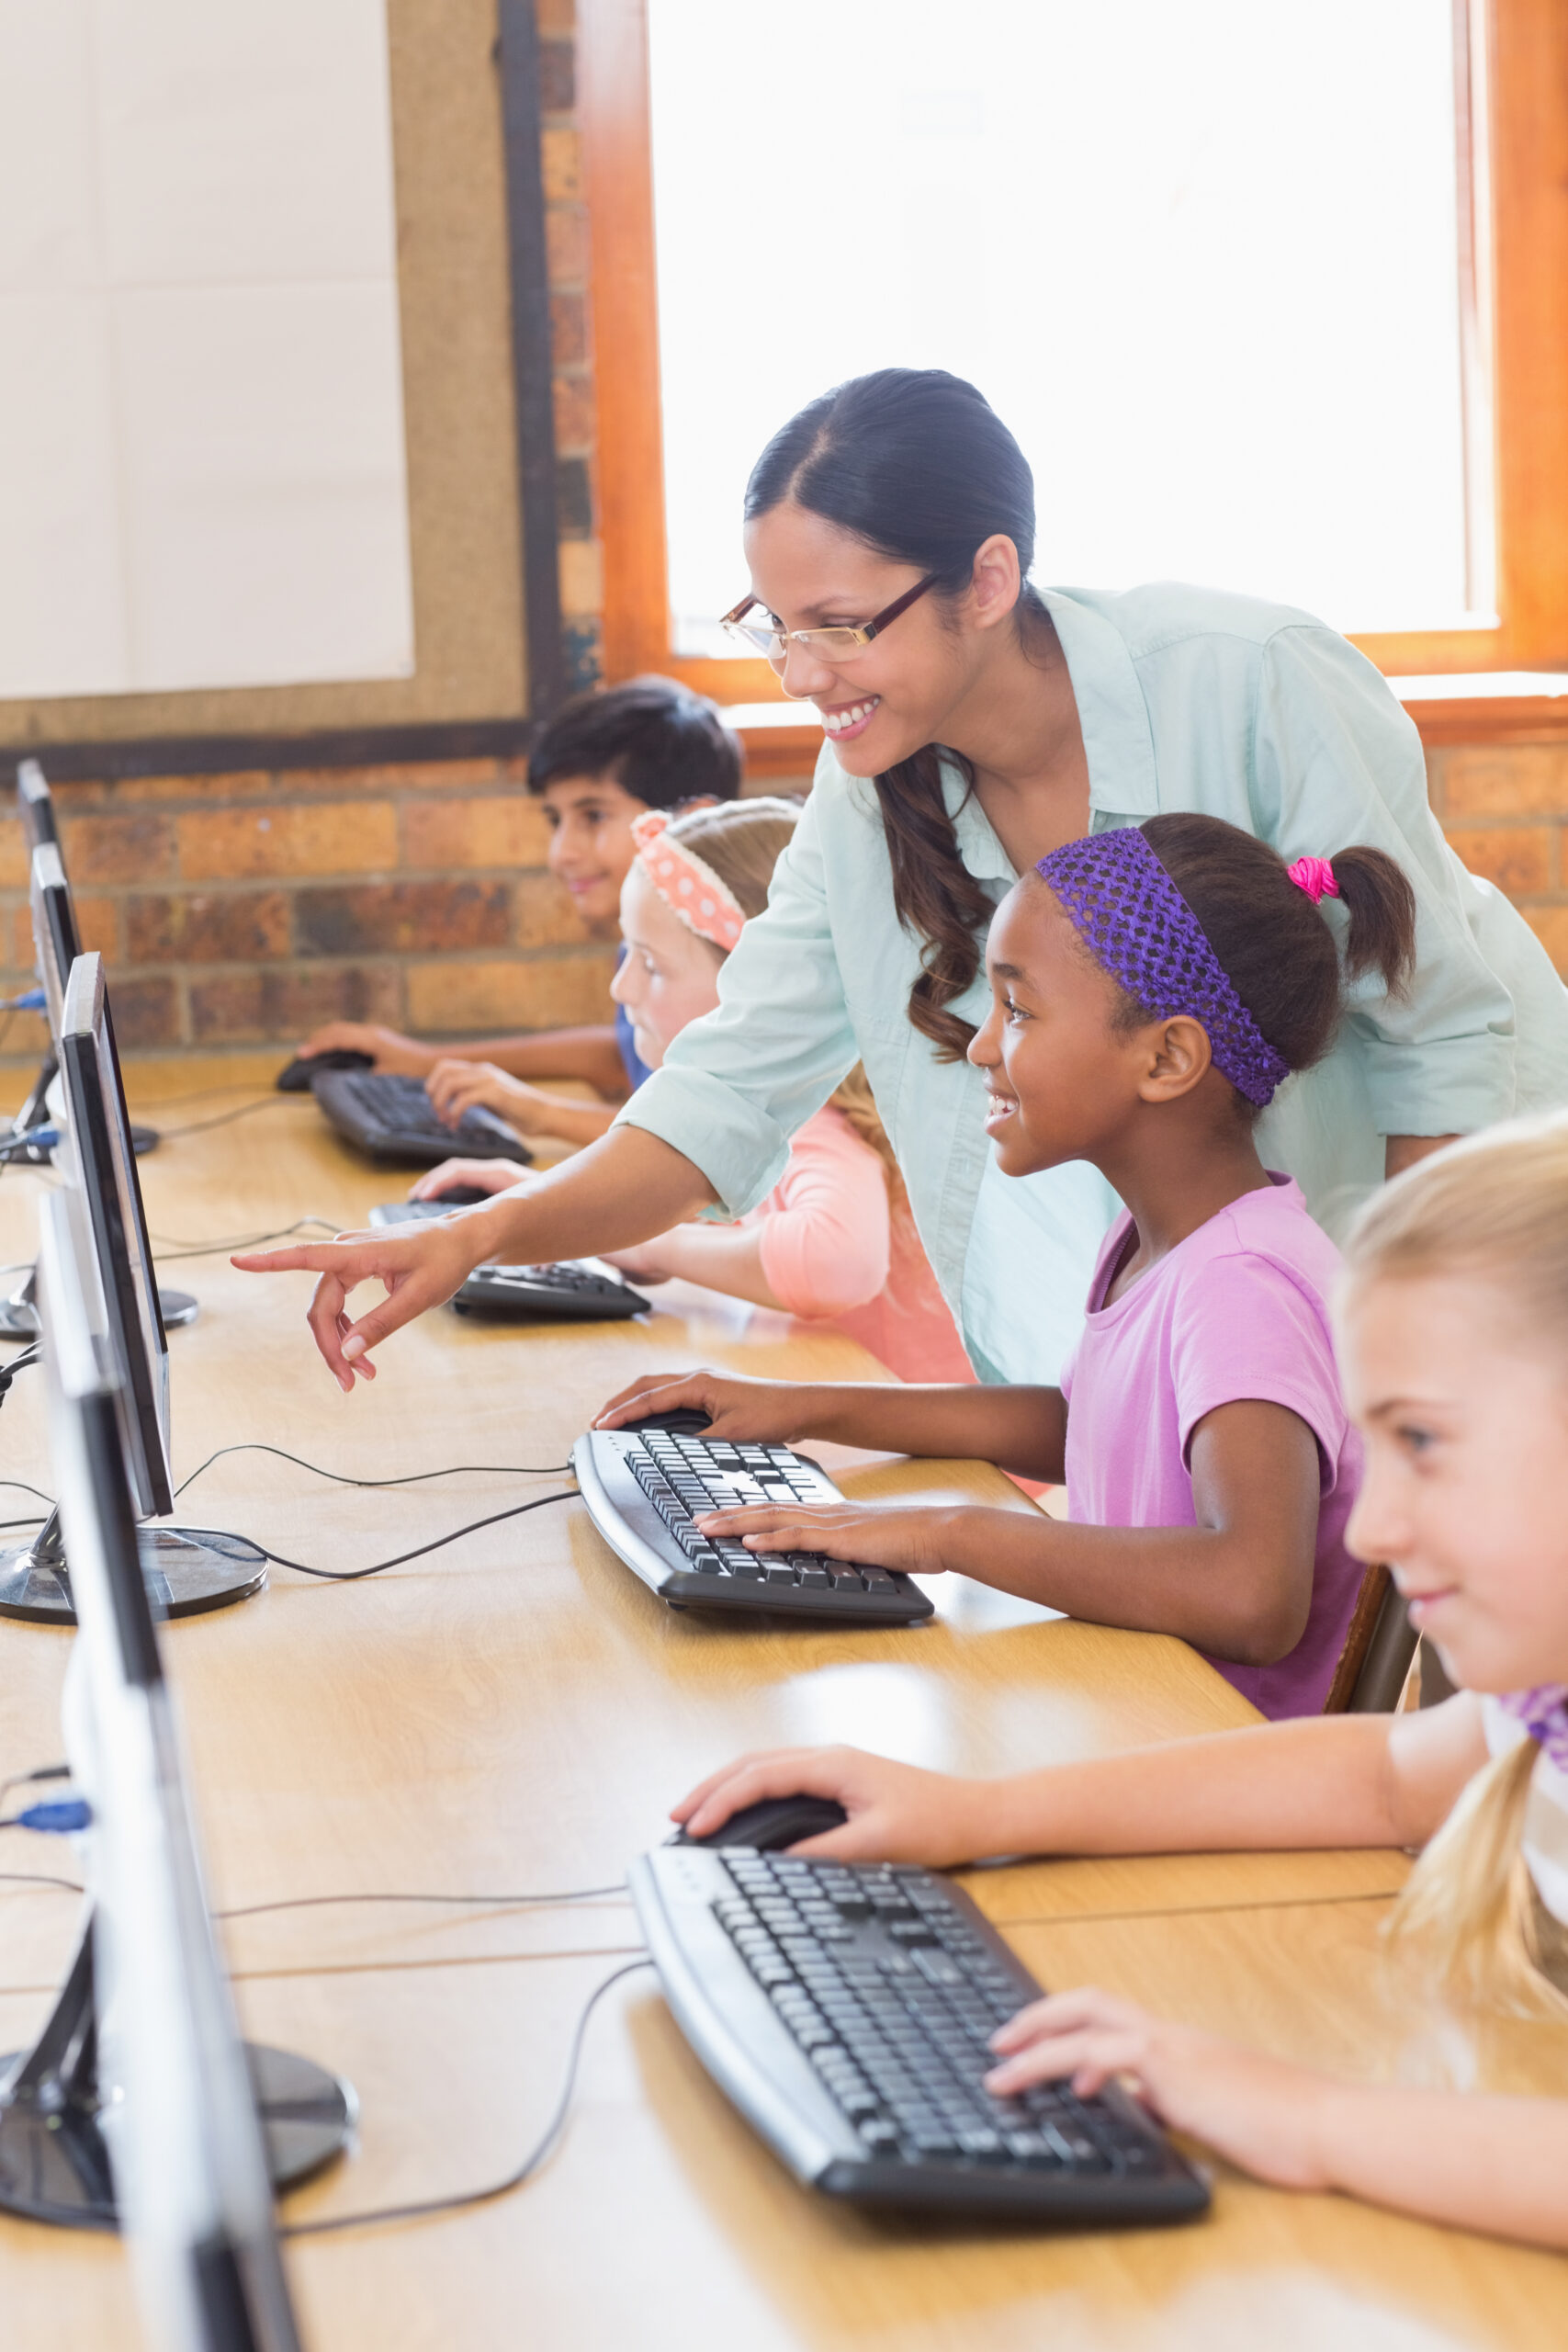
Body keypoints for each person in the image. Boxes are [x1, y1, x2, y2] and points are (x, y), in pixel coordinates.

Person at [236, 368, 1568, 1392]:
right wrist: (479, 1234)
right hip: (1197, 1328)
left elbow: (1433, 1043)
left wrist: (1394, 1361)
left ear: (985, 579)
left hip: (1454, 1254)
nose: (802, 674)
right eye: (771, 626)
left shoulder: (1248, 677)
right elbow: (727, 1088)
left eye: (839, 624)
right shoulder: (865, 789)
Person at [666, 1115, 1568, 2249]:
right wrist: (978, 1812)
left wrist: (1311, 2115)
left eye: (1427, 1443)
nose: (1376, 1525)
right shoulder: (1539, 1715)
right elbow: (1385, 1774)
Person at [593, 815, 1415, 1716]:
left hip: (1212, 1758)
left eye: (1018, 1009)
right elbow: (1095, 1424)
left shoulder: (1240, 1283)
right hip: (1139, 1710)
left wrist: (944, 1533)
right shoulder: (1163, 1240)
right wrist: (808, 1409)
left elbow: (1250, 1596)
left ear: (1169, 1056)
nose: (983, 1045)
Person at [420, 798, 971, 1383]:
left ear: (760, 988)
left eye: (651, 965)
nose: (621, 986)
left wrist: (651, 1246)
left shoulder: (814, 1119)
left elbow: (839, 1262)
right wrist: (560, 1208)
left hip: (942, 1472)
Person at [295, 676, 741, 1150]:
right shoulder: (650, 944)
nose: (560, 853)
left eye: (592, 816)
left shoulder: (727, 963)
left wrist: (535, 1111)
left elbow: (708, 1136)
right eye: (555, 819)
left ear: (691, 818)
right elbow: (627, 1052)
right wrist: (426, 1060)